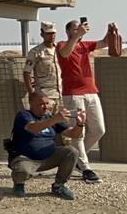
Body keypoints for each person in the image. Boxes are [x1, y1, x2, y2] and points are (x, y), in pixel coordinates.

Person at [56, 18, 121, 184]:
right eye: (75, 29)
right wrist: (77, 35)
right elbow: (65, 54)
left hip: (91, 92)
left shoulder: (85, 45)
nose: (79, 30)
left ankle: (75, 158)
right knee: (78, 132)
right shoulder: (62, 45)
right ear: (68, 31)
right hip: (73, 95)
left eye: (80, 28)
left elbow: (104, 43)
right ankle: (85, 168)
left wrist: (110, 31)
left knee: (99, 130)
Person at [8, 91, 84, 200]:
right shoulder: (24, 115)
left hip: (48, 158)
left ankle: (59, 186)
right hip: (27, 159)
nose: (45, 107)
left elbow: (74, 134)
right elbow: (33, 128)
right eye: (41, 104)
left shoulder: (50, 117)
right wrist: (55, 119)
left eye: (47, 103)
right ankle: (19, 184)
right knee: (22, 170)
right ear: (31, 104)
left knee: (71, 152)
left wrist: (80, 124)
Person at [23, 22, 61, 105]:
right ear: (42, 34)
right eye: (48, 33)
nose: (52, 36)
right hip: (45, 95)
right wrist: (31, 93)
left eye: (53, 33)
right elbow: (26, 73)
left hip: (62, 94)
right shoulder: (36, 52)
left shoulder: (60, 49)